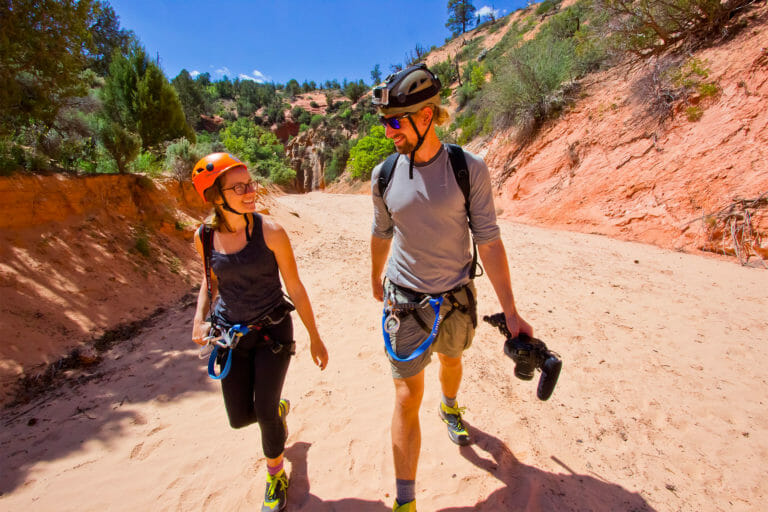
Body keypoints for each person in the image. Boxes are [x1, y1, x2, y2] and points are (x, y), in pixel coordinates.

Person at [369, 64, 533, 512]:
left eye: (396, 122)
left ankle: (451, 405)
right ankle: (407, 502)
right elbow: (381, 232)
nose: (389, 133)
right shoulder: (383, 175)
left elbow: (490, 240)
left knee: (452, 360)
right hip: (404, 302)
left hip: (457, 298)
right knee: (405, 394)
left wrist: (512, 311)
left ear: (426, 117)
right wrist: (373, 277)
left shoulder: (468, 169)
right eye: (385, 123)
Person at [190, 152, 328, 512]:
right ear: (216, 196)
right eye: (239, 187)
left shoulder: (271, 231)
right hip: (231, 337)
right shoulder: (203, 237)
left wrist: (315, 336)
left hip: (272, 334)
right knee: (239, 418)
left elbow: (295, 288)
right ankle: (277, 415)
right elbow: (209, 282)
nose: (250, 191)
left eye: (250, 184)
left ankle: (275, 476)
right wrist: (199, 318)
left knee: (263, 411)